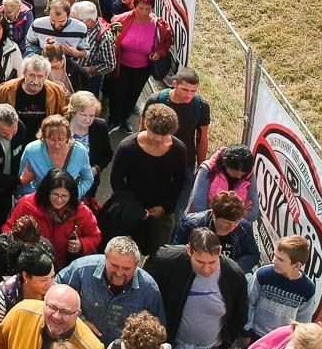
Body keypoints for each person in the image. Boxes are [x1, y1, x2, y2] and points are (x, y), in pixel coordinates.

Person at [144, 229, 250, 349]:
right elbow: (147, 295)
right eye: (200, 262)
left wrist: (222, 347)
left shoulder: (233, 275)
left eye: (212, 262)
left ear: (220, 251)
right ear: (189, 251)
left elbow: (240, 314)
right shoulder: (167, 262)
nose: (206, 269)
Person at [103, 104, 187, 255]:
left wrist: (165, 208)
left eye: (164, 135)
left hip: (160, 208)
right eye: (154, 133)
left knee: (160, 251)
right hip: (129, 202)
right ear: (146, 125)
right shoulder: (127, 147)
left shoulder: (178, 150)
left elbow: (179, 182)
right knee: (110, 243)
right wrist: (133, 206)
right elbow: (116, 181)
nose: (158, 139)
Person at [56, 237, 166, 346]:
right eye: (114, 266)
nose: (119, 273)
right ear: (105, 259)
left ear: (137, 266)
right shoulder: (81, 270)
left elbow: (157, 331)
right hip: (77, 344)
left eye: (126, 269)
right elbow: (54, 291)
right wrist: (79, 321)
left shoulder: (149, 290)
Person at [143, 68, 210, 215]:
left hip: (185, 164)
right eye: (185, 90)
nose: (189, 95)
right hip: (156, 160)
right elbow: (143, 130)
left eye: (193, 91)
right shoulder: (156, 100)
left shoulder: (201, 106)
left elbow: (202, 137)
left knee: (177, 210)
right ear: (174, 83)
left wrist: (201, 166)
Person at [4, 169, 102, 270]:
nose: (59, 200)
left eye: (64, 196)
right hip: (31, 267)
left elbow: (95, 237)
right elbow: (7, 230)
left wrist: (81, 244)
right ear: (46, 192)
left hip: (65, 269)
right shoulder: (27, 205)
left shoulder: (81, 211)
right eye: (55, 195)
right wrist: (22, 245)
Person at [108, 0, 173, 133]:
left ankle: (124, 118)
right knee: (117, 92)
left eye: (147, 9)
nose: (143, 12)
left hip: (143, 68)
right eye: (140, 8)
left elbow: (166, 43)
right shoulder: (120, 20)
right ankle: (113, 119)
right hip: (121, 65)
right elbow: (111, 38)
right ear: (134, 6)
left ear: (152, 8)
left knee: (133, 93)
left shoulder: (159, 26)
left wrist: (158, 53)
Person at [247, 236, 318, 341]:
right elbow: (249, 303)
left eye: (280, 259)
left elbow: (302, 323)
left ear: (297, 265)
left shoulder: (307, 289)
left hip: (281, 343)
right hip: (255, 335)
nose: (274, 261)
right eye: (275, 256)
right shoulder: (263, 275)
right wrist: (246, 331)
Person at [173, 191, 261, 273]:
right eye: (226, 223)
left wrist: (232, 268)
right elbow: (177, 253)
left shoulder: (244, 226)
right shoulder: (191, 224)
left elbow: (253, 255)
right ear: (213, 214)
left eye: (236, 222)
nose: (232, 227)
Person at [0, 246, 56, 338]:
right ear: (25, 276)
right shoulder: (5, 294)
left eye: (52, 277)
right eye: (43, 280)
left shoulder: (55, 293)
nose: (50, 283)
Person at [18, 115, 93, 198]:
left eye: (61, 139)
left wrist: (74, 196)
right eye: (52, 140)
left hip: (68, 205)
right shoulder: (31, 151)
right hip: (38, 203)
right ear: (43, 137)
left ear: (68, 137)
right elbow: (22, 183)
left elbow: (88, 179)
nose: (57, 145)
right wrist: (35, 198)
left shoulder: (80, 151)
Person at [189, 145, 257, 221]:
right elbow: (198, 208)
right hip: (205, 224)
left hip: (233, 226)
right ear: (225, 164)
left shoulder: (249, 174)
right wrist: (239, 210)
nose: (239, 177)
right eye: (234, 173)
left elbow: (253, 214)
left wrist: (214, 206)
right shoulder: (208, 169)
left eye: (243, 174)